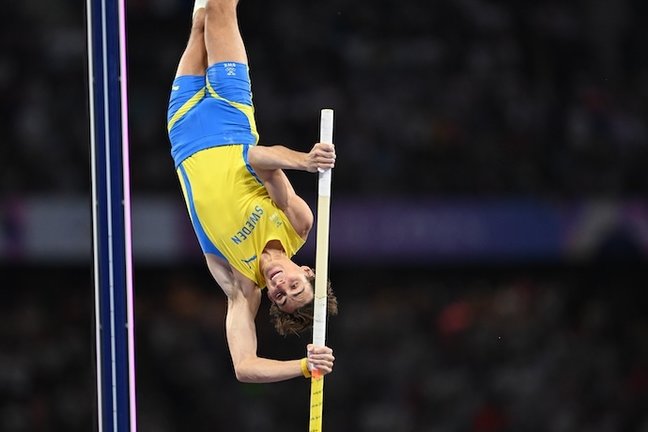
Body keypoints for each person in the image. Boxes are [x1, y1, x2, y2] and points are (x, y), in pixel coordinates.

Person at [166, 0, 338, 383]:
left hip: (184, 130)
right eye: (294, 285)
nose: (280, 285)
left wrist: (303, 367)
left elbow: (244, 367)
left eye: (280, 296)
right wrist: (305, 161)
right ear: (306, 270)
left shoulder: (242, 287)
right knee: (220, 10)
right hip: (231, 114)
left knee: (200, 23)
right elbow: (261, 161)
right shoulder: (298, 225)